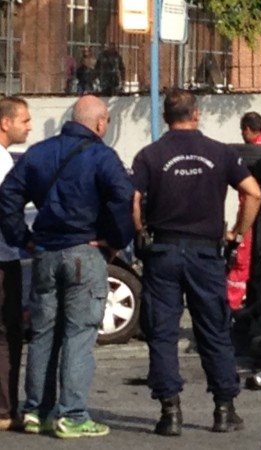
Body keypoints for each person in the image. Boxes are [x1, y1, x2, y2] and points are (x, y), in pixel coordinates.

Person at [0, 95, 134, 438]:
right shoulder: (103, 156)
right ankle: (72, 415)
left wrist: (23, 238)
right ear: (100, 123)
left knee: (44, 333)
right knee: (79, 334)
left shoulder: (38, 153)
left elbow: (8, 196)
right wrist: (114, 239)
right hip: (83, 252)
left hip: (45, 252)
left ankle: (36, 410)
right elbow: (123, 196)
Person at [131, 88, 261, 436]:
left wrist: (140, 232)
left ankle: (170, 412)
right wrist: (237, 233)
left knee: (162, 332)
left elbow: (133, 199)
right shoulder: (221, 152)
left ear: (165, 117)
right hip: (206, 252)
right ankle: (224, 409)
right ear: (197, 114)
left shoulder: (150, 155)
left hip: (163, 250)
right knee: (214, 330)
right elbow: (254, 192)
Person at [0, 97, 31, 432]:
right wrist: (26, 239)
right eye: (24, 120)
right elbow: (8, 209)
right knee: (8, 334)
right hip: (3, 257)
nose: (30, 126)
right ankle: (5, 410)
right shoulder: (3, 161)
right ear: (5, 122)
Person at [227, 112, 261, 310]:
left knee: (240, 263)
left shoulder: (248, 155)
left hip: (250, 218)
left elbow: (250, 196)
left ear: (247, 129)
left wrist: (237, 231)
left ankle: (231, 306)